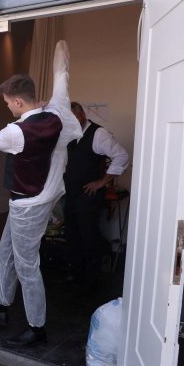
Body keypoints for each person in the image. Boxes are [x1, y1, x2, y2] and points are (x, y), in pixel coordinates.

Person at [0, 41, 82, 347]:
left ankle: (37, 327)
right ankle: (0, 307)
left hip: (28, 205)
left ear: (18, 101)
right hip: (43, 196)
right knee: (6, 251)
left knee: (27, 265)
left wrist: (28, 116)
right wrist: (60, 50)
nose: (8, 108)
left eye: (8, 103)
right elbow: (62, 74)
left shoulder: (13, 133)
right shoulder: (58, 111)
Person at [62, 101, 129, 288]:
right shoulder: (69, 134)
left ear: (82, 115)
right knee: (72, 234)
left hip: (88, 195)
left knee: (89, 236)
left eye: (73, 119)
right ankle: (75, 274)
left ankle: (91, 280)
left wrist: (102, 182)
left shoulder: (98, 134)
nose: (71, 123)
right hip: (71, 193)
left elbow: (122, 156)